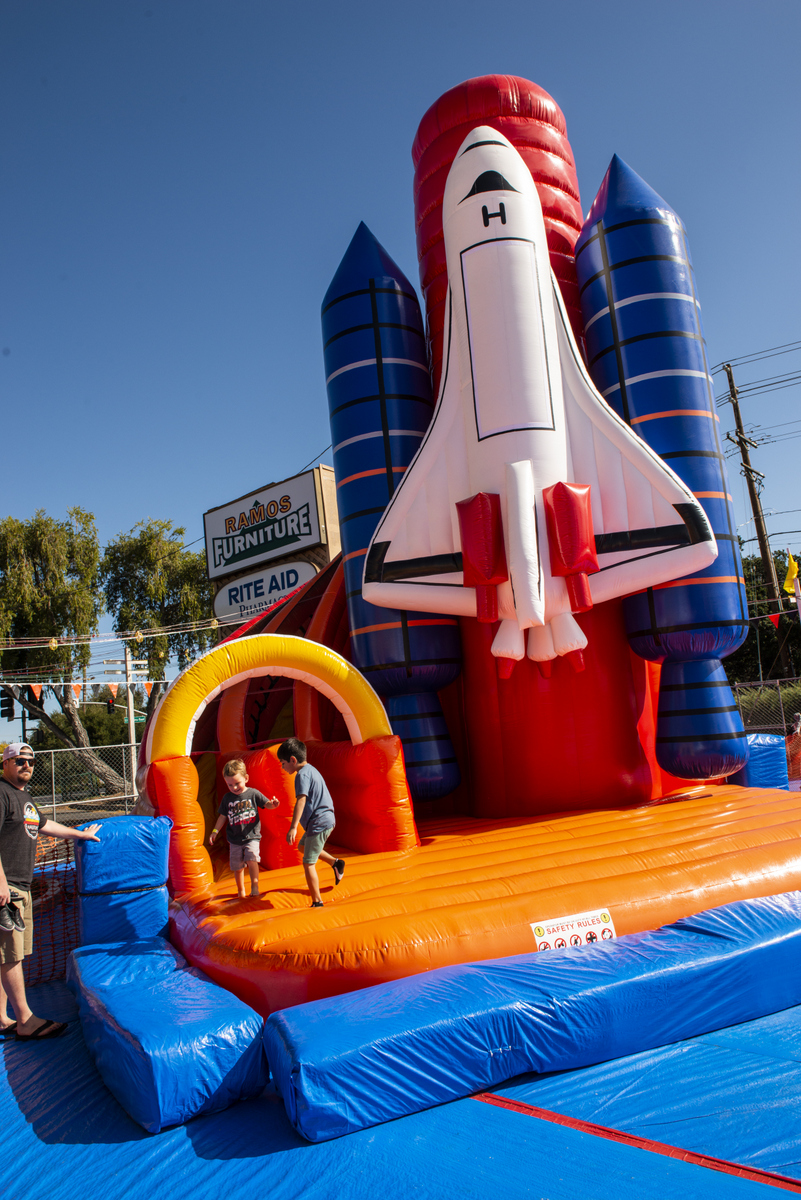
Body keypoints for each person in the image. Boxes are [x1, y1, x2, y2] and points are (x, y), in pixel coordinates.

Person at [0, 742, 101, 1041]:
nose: (26, 765)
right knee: (11, 955)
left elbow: (44, 825)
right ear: (5, 764)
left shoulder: (23, 796)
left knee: (6, 955)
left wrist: (80, 834)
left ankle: (2, 1018)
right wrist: (1, 881)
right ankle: (25, 1020)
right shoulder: (2, 793)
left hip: (20, 885)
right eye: (19, 760)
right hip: (8, 887)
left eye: (31, 761)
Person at [278, 737, 344, 908]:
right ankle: (335, 863)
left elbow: (301, 800)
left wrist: (293, 827)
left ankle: (317, 902)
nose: (283, 767)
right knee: (303, 847)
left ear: (293, 760)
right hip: (322, 819)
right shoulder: (311, 770)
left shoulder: (302, 775)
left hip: (319, 822)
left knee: (308, 863)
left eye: (283, 763)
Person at [209, 758, 279, 899]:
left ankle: (254, 886)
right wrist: (215, 831)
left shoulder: (253, 794)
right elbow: (222, 816)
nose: (234, 788)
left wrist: (273, 804)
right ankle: (241, 890)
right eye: (230, 785)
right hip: (235, 839)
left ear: (246, 778)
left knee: (252, 859)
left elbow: (266, 804)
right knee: (238, 866)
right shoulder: (227, 798)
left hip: (251, 836)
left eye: (237, 783)